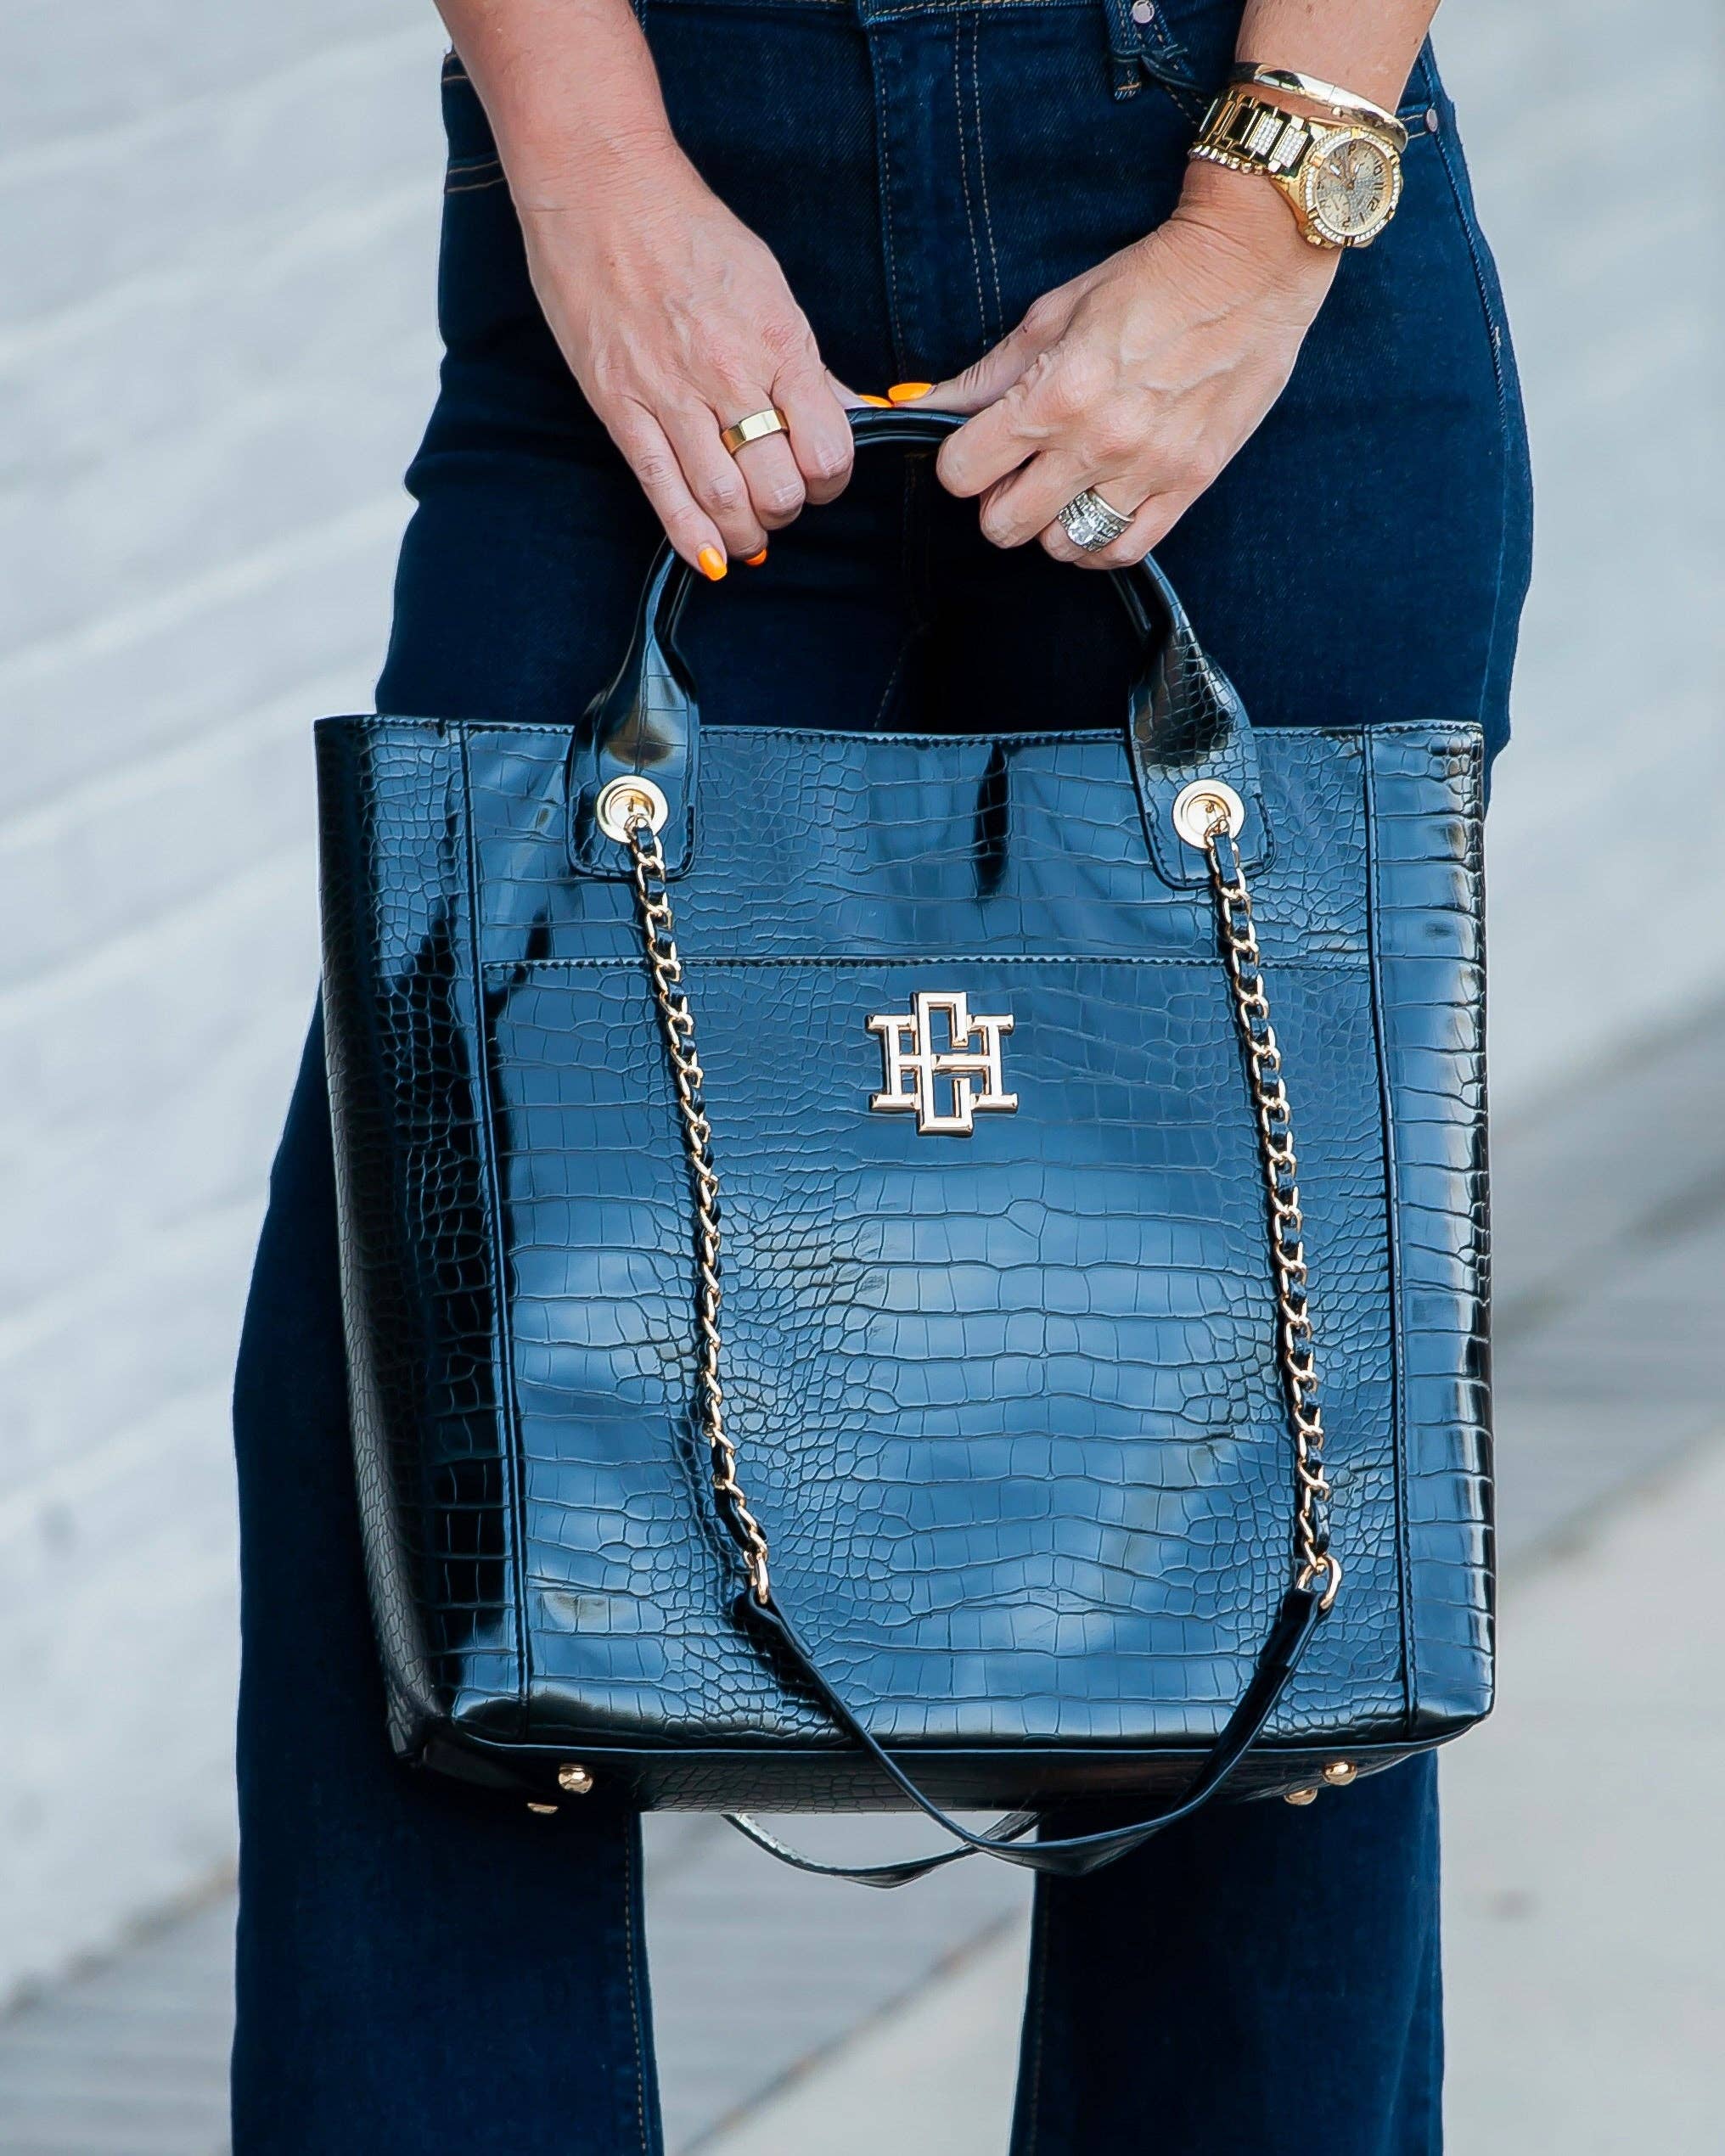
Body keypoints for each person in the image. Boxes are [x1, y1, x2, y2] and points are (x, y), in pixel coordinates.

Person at [230, 0, 1531, 2147]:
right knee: (414, 1431)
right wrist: (590, 163)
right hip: (656, 188)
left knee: (1272, 1469)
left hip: (1218, 162)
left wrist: (1259, 223)